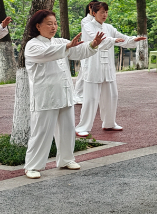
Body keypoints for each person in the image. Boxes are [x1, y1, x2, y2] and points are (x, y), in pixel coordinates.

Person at [22, 10, 105, 179]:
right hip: (45, 96)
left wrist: (92, 45)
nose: (53, 27)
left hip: (64, 93)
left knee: (67, 130)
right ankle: (32, 166)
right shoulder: (33, 45)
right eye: (49, 23)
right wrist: (67, 47)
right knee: (42, 132)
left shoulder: (59, 41)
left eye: (55, 23)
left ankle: (66, 159)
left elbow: (78, 51)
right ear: (38, 26)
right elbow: (47, 54)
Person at [75, 2, 146, 137]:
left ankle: (109, 122)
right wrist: (114, 40)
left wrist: (133, 40)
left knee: (112, 95)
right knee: (90, 98)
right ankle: (82, 127)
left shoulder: (109, 27)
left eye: (106, 12)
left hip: (107, 66)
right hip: (93, 65)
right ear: (94, 13)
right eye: (102, 12)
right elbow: (98, 40)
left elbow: (122, 38)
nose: (105, 15)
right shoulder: (87, 25)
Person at [73, 1, 100, 103]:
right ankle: (78, 94)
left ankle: (89, 94)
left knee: (93, 71)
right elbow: (92, 33)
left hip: (95, 48)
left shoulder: (97, 20)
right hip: (86, 48)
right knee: (84, 71)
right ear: (89, 8)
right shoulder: (85, 20)